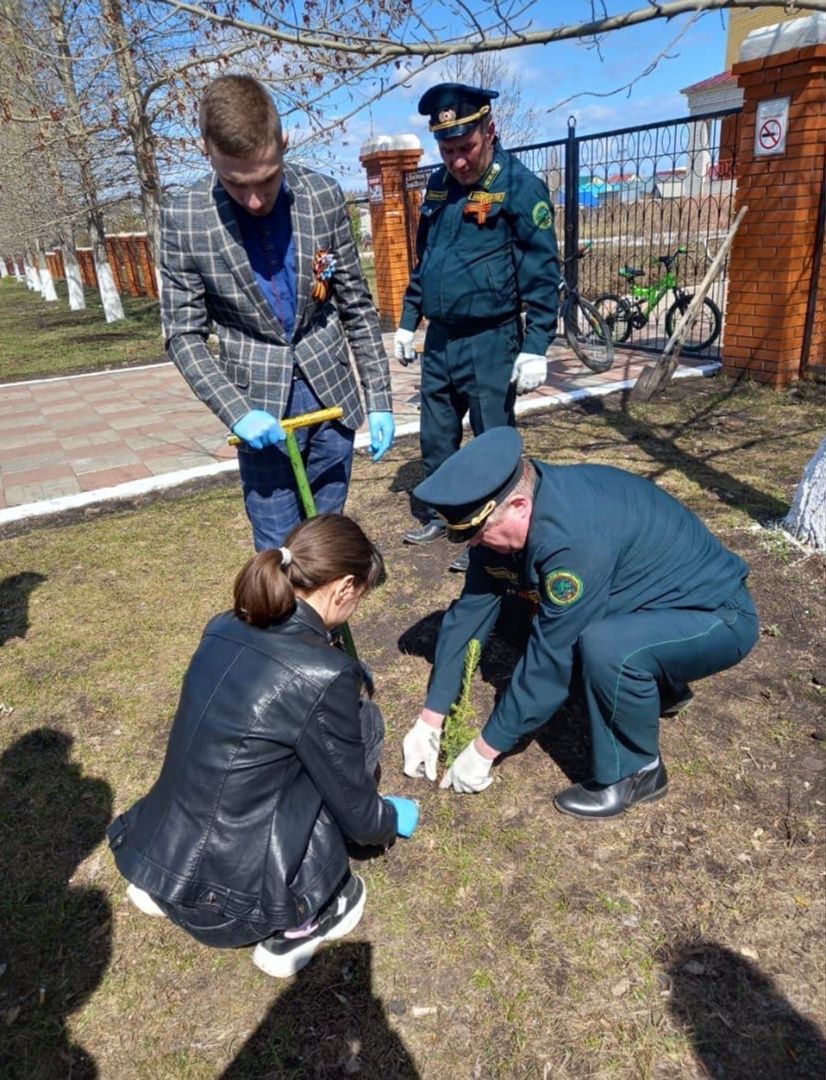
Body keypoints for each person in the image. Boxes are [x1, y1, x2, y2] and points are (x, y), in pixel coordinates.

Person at [107, 514, 419, 978]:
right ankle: (303, 925)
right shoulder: (323, 674)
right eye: (361, 598)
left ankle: (165, 890)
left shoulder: (222, 626)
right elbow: (357, 813)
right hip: (235, 905)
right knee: (365, 724)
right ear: (345, 587)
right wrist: (390, 816)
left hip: (155, 856)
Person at [401, 428, 760, 818]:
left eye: (479, 532)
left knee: (606, 648)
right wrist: (431, 717)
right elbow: (470, 613)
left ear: (519, 506)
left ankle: (638, 772)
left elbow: (549, 658)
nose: (473, 545)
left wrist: (485, 748)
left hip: (715, 617)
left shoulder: (573, 540)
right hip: (649, 606)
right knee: (512, 614)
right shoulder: (517, 510)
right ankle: (661, 686)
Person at [161, 74, 395, 551]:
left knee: (324, 543)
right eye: (235, 183)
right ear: (206, 150)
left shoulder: (322, 196)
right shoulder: (184, 219)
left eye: (266, 179)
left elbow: (356, 304)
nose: (253, 199)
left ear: (284, 143)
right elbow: (182, 335)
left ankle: (324, 628)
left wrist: (381, 397)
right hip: (260, 412)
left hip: (333, 400)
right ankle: (288, 626)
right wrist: (236, 411)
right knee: (278, 550)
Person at [395, 82, 560, 573]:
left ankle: (491, 537)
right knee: (437, 432)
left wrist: (536, 343)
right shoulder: (440, 187)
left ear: (490, 130)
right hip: (442, 337)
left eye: (464, 148)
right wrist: (408, 321)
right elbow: (428, 261)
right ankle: (445, 516)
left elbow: (543, 271)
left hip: (493, 339)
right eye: (447, 150)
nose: (457, 161)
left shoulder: (519, 186)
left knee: (492, 438)